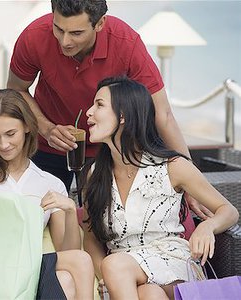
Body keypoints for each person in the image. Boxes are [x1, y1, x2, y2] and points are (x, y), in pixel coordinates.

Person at [6, 0, 211, 218]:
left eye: (76, 33)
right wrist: (46, 128)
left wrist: (193, 182)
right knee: (38, 218)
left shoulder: (126, 43)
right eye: (58, 28)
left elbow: (163, 114)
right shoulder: (34, 36)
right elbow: (16, 89)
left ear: (100, 23)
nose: (64, 41)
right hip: (48, 145)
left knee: (102, 223)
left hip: (108, 151)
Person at [81, 77, 239, 300]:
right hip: (124, 277)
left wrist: (207, 227)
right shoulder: (94, 174)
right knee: (149, 294)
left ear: (123, 115)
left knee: (117, 265)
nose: (88, 112)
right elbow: (91, 239)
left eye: (99, 105)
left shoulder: (173, 166)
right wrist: (103, 275)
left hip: (171, 261)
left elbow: (229, 210)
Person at [0, 89, 95, 299]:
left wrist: (69, 210)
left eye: (10, 134)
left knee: (73, 271)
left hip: (28, 270)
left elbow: (67, 251)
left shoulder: (48, 183)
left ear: (27, 128)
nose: (3, 144)